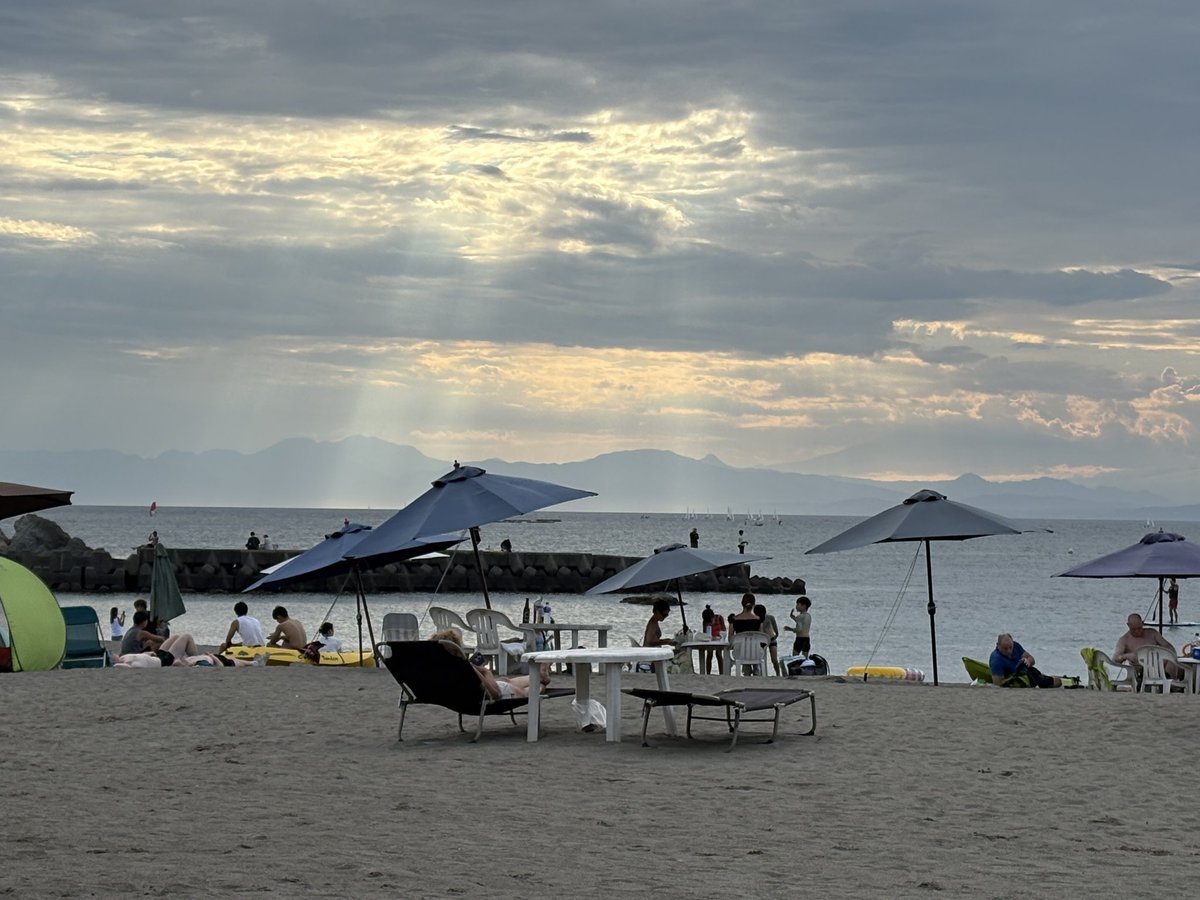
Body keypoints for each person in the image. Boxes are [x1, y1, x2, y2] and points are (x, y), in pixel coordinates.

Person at [431, 628, 550, 700]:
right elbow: (495, 694)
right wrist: (485, 672)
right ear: (457, 650)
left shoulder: (439, 671)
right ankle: (542, 677)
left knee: (507, 681)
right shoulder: (467, 669)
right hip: (502, 692)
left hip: (499, 686)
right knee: (535, 688)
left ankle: (540, 675)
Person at [1113, 613, 1185, 679]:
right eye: (1133, 629)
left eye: (1139, 628)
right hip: (1142, 669)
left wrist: (1161, 653)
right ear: (1128, 625)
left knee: (1174, 660)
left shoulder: (1152, 633)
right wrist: (1126, 656)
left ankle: (1170, 684)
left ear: (1143, 623)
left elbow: (1169, 647)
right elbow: (1115, 658)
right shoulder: (1124, 640)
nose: (1137, 631)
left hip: (1159, 664)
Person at [989, 633, 1062, 688]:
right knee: (1044, 680)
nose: (1009, 651)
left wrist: (1027, 661)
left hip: (1026, 673)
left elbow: (1032, 659)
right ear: (998, 645)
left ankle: (1051, 680)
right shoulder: (996, 660)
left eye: (1010, 647)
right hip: (1015, 679)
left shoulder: (1016, 646)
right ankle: (1049, 681)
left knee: (1034, 672)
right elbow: (998, 684)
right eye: (1005, 648)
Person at [755, 603, 781, 675]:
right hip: (762, 640)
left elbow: (775, 629)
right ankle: (762, 673)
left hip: (771, 639)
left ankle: (778, 673)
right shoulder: (756, 620)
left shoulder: (770, 617)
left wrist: (776, 635)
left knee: (774, 659)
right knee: (762, 659)